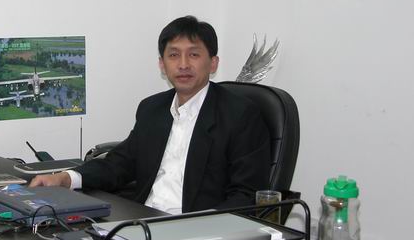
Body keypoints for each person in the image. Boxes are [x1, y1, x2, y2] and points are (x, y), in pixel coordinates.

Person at [30, 16, 270, 213]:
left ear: (213, 63)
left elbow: (247, 195)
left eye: (194, 55)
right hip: (143, 220)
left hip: (196, 230)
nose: (183, 64)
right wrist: (66, 178)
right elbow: (119, 164)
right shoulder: (152, 109)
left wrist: (200, 227)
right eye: (173, 55)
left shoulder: (240, 115)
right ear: (162, 65)